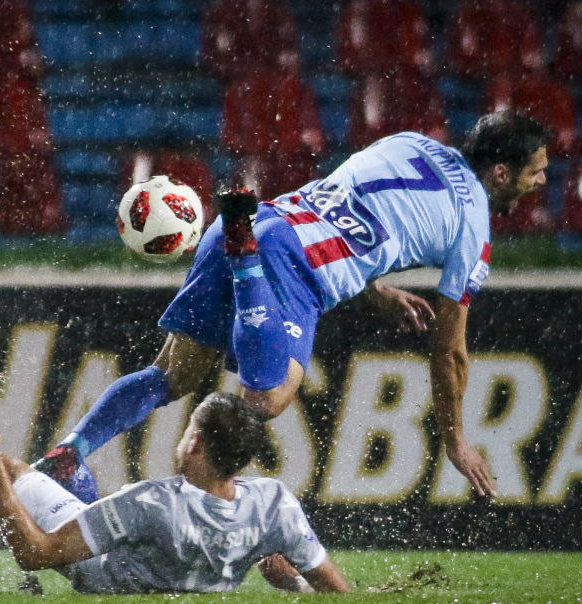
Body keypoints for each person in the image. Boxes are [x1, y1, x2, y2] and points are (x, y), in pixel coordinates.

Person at [37, 112, 550, 503]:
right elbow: (451, 351)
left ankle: (70, 453)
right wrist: (456, 438)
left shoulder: (411, 144)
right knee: (268, 394)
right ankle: (195, 507)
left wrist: (374, 288)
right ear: (501, 172)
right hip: (290, 263)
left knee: (170, 375)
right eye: (536, 172)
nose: (542, 183)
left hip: (259, 218)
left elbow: (345, 207)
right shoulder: (473, 226)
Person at [0, 392, 349, 594]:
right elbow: (338, 593)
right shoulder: (274, 504)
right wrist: (294, 584)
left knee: (9, 468)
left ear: (194, 442)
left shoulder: (151, 502)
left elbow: (34, 554)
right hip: (178, 579)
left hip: (102, 575)